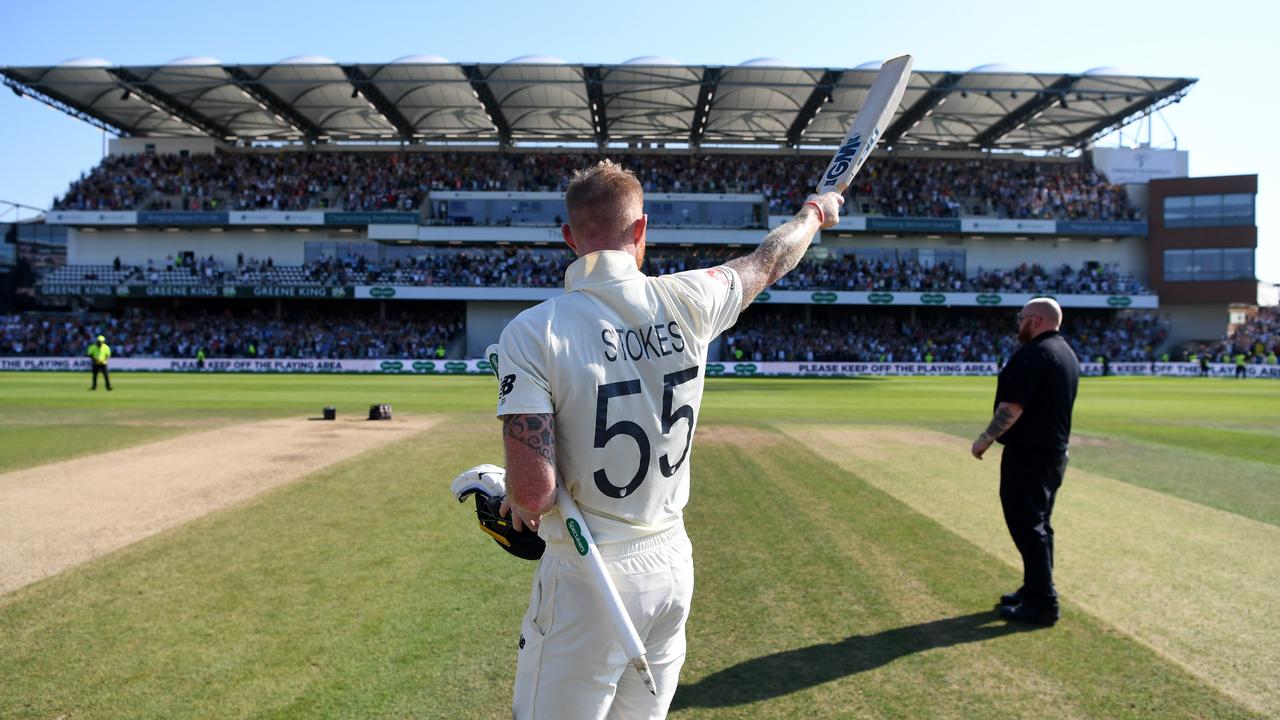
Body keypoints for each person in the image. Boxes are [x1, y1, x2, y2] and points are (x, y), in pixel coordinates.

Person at [492, 159, 841, 719]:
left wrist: (512, 495)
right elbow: (768, 261)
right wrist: (815, 212)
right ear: (641, 230)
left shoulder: (534, 331)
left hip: (591, 574)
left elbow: (533, 495)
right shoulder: (691, 298)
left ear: (568, 239)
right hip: (672, 565)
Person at [970, 298, 1079, 626]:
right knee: (1040, 524)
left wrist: (985, 439)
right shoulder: (1065, 353)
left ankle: (1043, 602)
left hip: (1031, 454)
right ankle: (1035, 589)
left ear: (1035, 320)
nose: (1018, 324)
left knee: (1027, 524)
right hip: (1052, 454)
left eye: (1021, 318)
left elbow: (1012, 407)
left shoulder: (1035, 354)